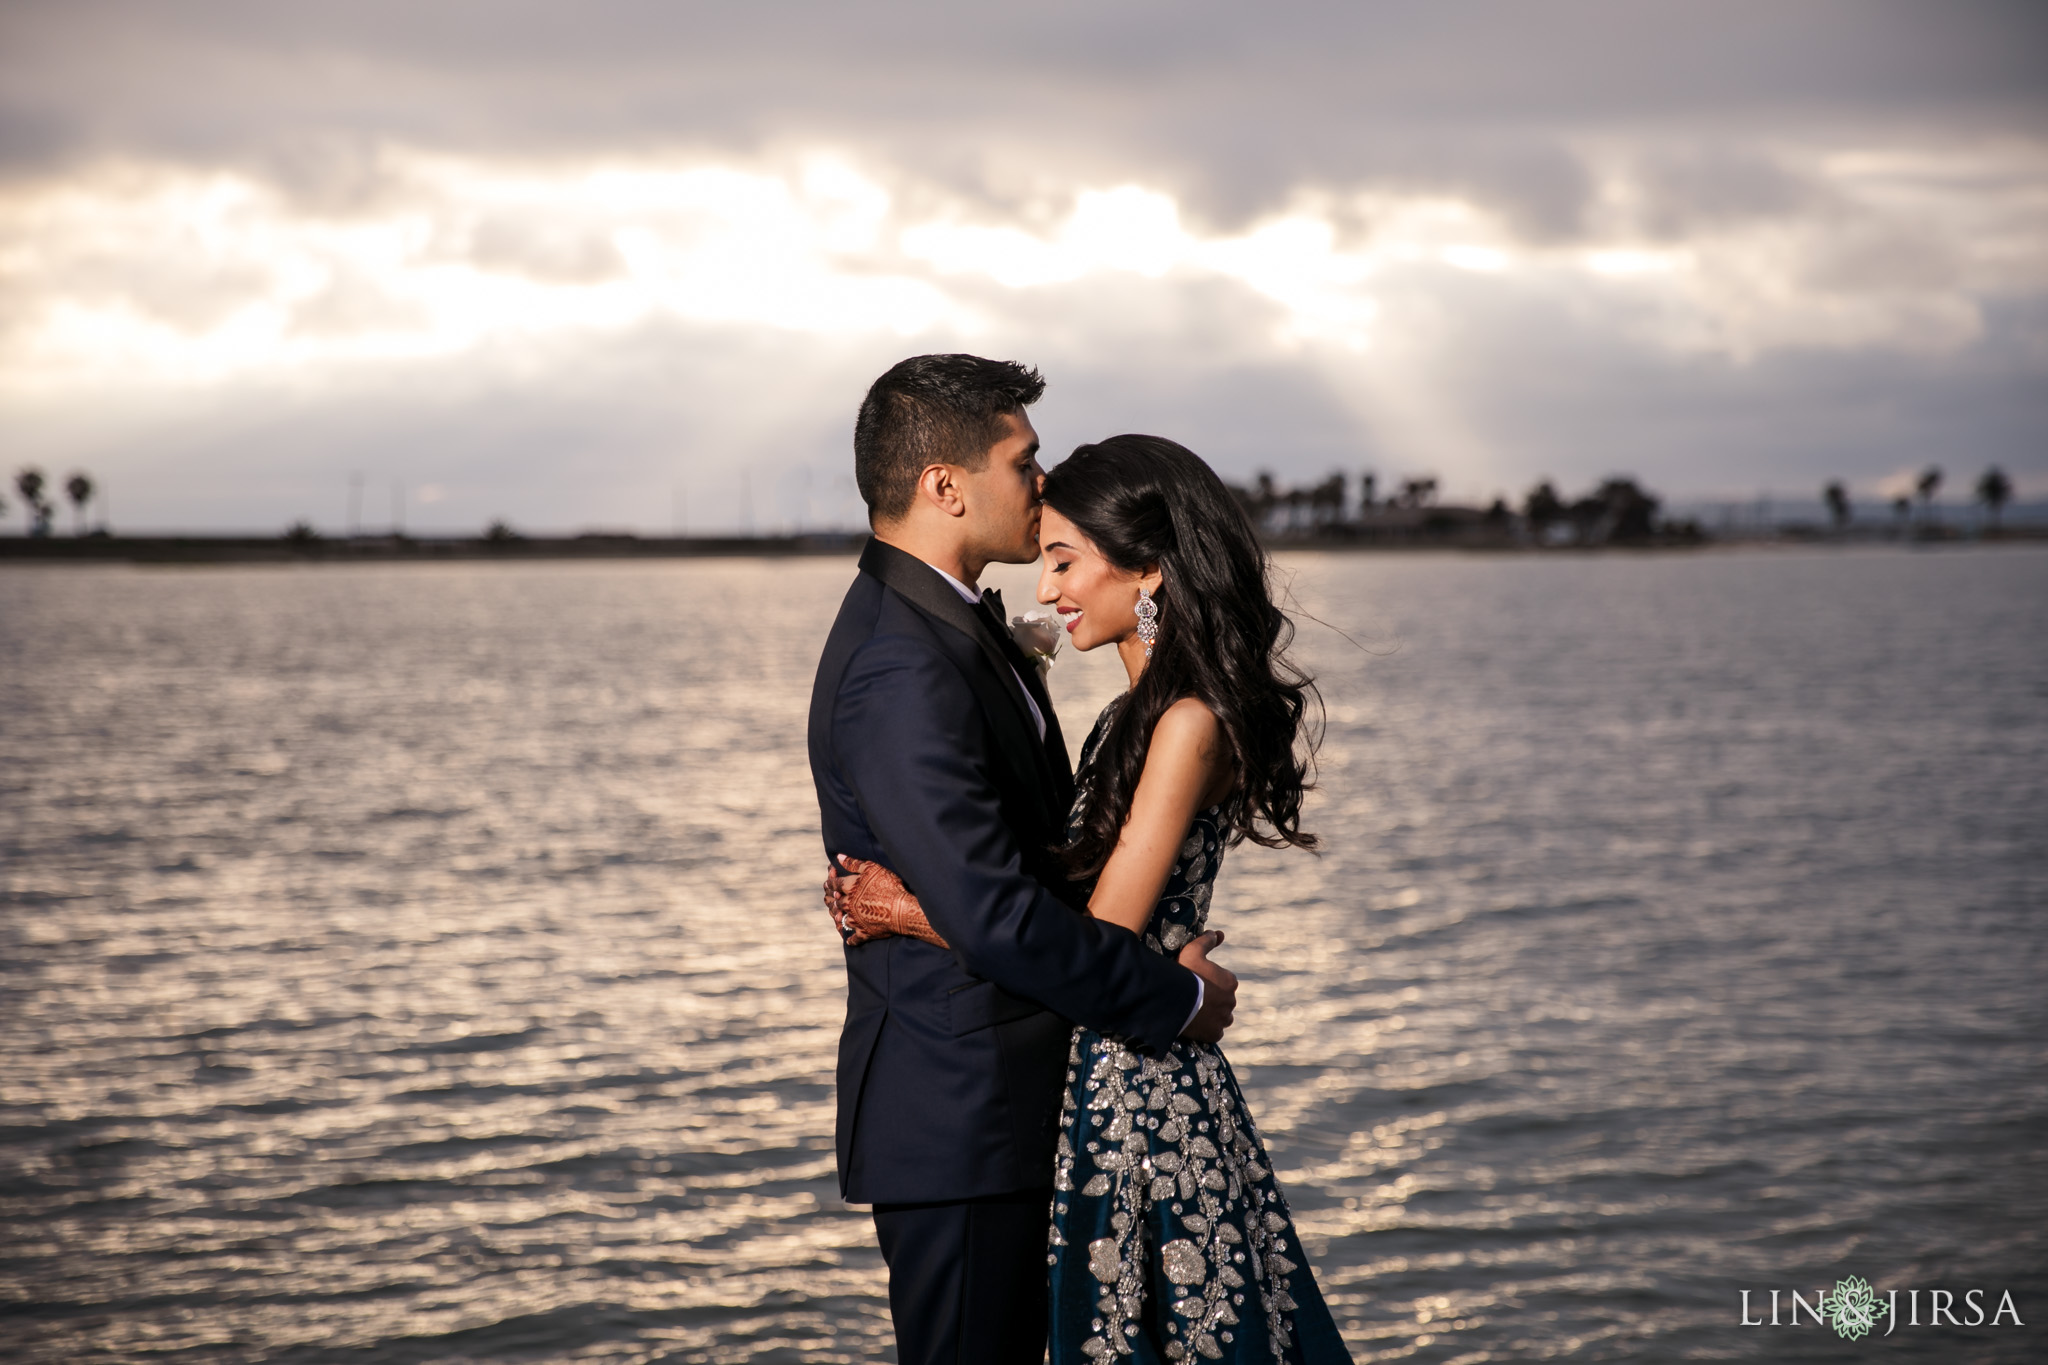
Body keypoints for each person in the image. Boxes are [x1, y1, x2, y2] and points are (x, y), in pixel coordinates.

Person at [829, 434, 1353, 1362]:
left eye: (1067, 561)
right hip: (1104, 1074)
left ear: (1147, 569)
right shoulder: (1129, 717)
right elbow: (1064, 890)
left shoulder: (1188, 724)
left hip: (1142, 1092)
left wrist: (905, 910)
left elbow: (1102, 928)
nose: (1046, 588)